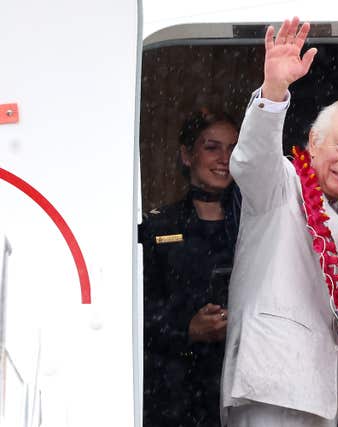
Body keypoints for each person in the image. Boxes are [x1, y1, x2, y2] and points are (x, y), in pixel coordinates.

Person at [220, 17, 338, 427]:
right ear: (313, 142)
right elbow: (250, 159)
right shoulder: (279, 183)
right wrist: (275, 90)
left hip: (315, 397)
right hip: (269, 389)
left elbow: (320, 326)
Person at [140, 111, 241, 427]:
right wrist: (187, 328)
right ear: (187, 154)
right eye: (212, 147)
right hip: (176, 392)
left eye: (233, 148)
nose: (225, 158)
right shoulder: (157, 226)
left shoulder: (254, 225)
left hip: (241, 386)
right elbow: (135, 314)